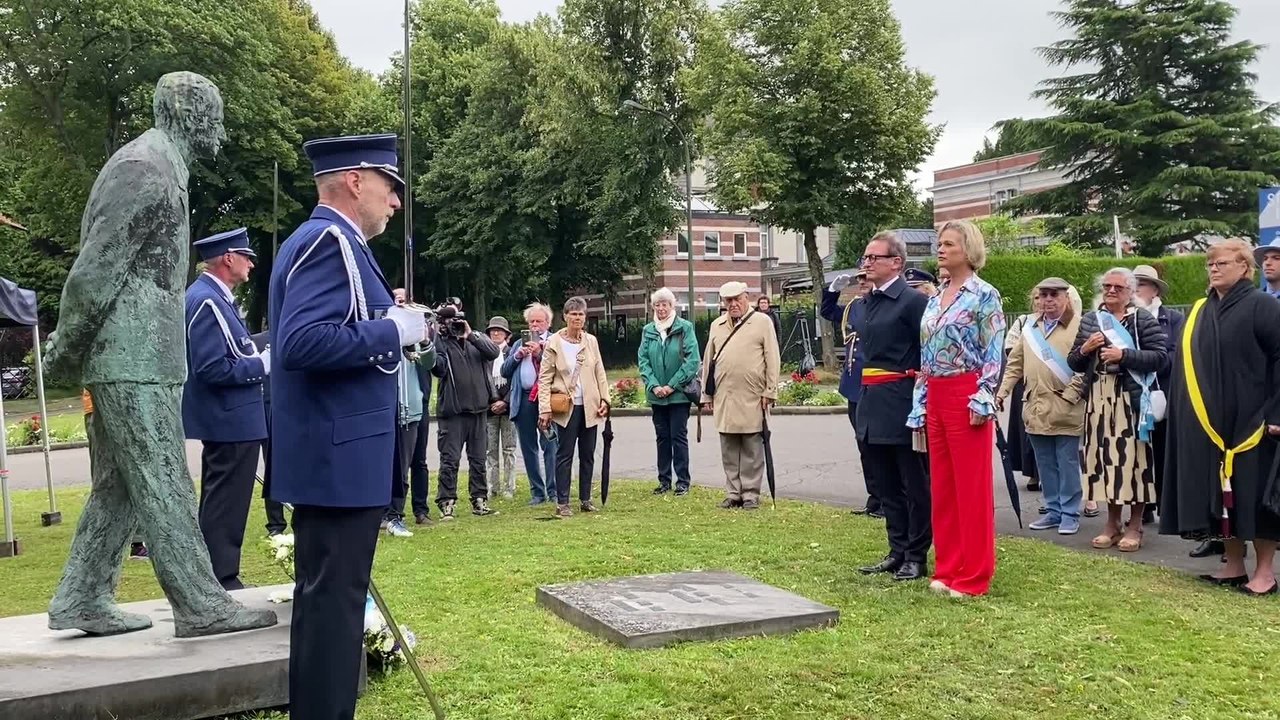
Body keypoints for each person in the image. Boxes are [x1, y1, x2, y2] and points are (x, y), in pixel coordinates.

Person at [45, 72, 274, 639]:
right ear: (191, 114)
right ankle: (200, 604)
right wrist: (62, 348)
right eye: (215, 117)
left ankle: (81, 596)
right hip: (129, 360)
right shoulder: (143, 169)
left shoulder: (162, 166)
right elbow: (95, 271)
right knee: (164, 478)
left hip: (139, 357)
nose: (220, 132)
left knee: (119, 485)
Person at [268, 132, 427, 719]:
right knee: (334, 612)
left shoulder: (329, 242)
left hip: (335, 459)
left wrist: (388, 323)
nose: (396, 202)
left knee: (327, 609)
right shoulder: (331, 241)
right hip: (338, 462)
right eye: (391, 187)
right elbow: (302, 342)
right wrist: (394, 332)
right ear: (357, 180)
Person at [1161, 240, 1280, 595]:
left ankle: (1264, 572)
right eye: (1210, 264)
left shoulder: (1263, 307)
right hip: (1210, 424)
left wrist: (1277, 412)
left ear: (1245, 267)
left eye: (1222, 263)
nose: (1213, 269)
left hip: (1255, 421)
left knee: (1254, 495)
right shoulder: (1200, 310)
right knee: (1221, 494)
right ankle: (1233, 564)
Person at [907, 220, 1005, 597]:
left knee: (971, 488)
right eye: (940, 243)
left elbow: (993, 352)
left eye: (948, 244)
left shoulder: (985, 295)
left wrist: (984, 396)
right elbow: (926, 354)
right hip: (935, 392)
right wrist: (921, 400)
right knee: (943, 486)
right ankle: (948, 567)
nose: (941, 249)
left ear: (969, 249)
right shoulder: (936, 296)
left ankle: (975, 575)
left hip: (967, 391)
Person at [182, 227, 269, 591]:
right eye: (246, 256)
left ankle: (216, 573)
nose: (250, 263)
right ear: (228, 258)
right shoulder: (207, 301)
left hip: (234, 417)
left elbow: (234, 349)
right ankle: (219, 577)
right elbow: (212, 367)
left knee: (226, 499)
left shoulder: (213, 298)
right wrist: (262, 365)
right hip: (229, 417)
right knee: (225, 502)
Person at [1068, 267, 1167, 554]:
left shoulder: (1141, 319)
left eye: (1118, 288)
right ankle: (1112, 523)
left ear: (1130, 292)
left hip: (1130, 401)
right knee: (1104, 463)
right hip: (1098, 400)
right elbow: (1073, 362)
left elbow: (1160, 357)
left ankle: (1135, 525)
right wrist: (1086, 349)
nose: (1111, 291)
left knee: (1133, 464)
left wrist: (1124, 355)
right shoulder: (1090, 320)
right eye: (1107, 286)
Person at [853, 231, 930, 581]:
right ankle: (896, 551)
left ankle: (916, 554)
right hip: (871, 402)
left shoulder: (913, 302)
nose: (867, 263)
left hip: (901, 402)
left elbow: (926, 354)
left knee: (913, 484)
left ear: (896, 262)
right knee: (885, 486)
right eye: (865, 258)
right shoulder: (867, 301)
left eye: (874, 257)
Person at [997, 278, 1087, 537]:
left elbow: (1087, 366)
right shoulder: (1029, 327)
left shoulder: (1079, 326)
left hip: (1067, 406)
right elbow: (1015, 364)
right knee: (1044, 463)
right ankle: (1053, 509)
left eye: (1054, 295)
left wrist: (1072, 395)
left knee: (1067, 462)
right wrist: (1001, 393)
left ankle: (1070, 513)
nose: (1048, 300)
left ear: (1066, 298)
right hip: (1035, 406)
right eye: (1043, 295)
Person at [700, 281, 781, 510]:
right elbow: (709, 361)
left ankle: (751, 494)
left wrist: (770, 390)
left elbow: (772, 358)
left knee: (752, 447)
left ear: (747, 298)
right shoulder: (717, 325)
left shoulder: (762, 322)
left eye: (738, 299)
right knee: (728, 446)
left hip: (753, 395)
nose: (734, 304)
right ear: (723, 303)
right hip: (725, 395)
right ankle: (733, 492)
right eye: (729, 301)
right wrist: (707, 395)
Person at [538, 296, 611, 518]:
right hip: (566, 407)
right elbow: (544, 378)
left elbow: (600, 372)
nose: (577, 318)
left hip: (589, 405)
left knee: (588, 454)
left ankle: (585, 499)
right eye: (573, 314)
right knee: (565, 455)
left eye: (581, 314)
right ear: (565, 316)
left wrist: (605, 400)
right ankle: (562, 502)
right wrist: (544, 408)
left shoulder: (591, 341)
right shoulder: (554, 343)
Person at [821, 269, 882, 517]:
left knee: (879, 447)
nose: (863, 283)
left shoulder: (882, 306)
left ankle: (888, 500)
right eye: (859, 279)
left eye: (866, 278)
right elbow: (827, 312)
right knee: (864, 445)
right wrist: (832, 291)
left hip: (876, 385)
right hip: (854, 385)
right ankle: (875, 498)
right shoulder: (854, 306)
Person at [432, 308, 501, 519]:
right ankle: (447, 502)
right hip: (452, 412)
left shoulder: (475, 339)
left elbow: (494, 352)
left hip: (479, 410)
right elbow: (439, 369)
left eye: (458, 321)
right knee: (450, 460)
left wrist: (470, 335)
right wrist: (437, 338)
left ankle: (479, 500)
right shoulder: (441, 343)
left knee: (478, 459)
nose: (455, 326)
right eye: (449, 322)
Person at [1132, 264, 1184, 527]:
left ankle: (1165, 503)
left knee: (1162, 451)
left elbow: (1175, 354)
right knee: (1138, 452)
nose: (1136, 289)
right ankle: (1143, 506)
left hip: (1162, 393)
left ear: (1154, 289)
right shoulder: (1124, 318)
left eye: (1141, 283)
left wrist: (1147, 362)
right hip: (1132, 394)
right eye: (1134, 283)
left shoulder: (1172, 318)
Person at [382, 288, 436, 537]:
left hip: (412, 408)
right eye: (397, 300)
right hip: (388, 407)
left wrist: (424, 341)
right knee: (392, 465)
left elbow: (431, 364)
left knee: (411, 463)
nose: (401, 304)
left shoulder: (418, 335)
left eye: (405, 301)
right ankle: (389, 514)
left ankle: (401, 514)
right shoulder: (384, 332)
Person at [637, 287, 700, 496]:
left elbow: (692, 361)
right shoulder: (648, 330)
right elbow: (643, 360)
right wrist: (654, 385)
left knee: (678, 437)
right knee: (662, 437)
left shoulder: (685, 328)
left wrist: (672, 385)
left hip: (679, 394)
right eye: (658, 304)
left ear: (672, 306)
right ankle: (664, 480)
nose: (661, 308)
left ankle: (683, 481)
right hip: (657, 395)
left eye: (665, 304)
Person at [82, 388, 149, 559]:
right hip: (102, 409)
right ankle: (101, 543)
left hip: (128, 406)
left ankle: (136, 541)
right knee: (106, 481)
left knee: (135, 477)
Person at [502, 303, 558, 505]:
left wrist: (539, 354)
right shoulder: (518, 344)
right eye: (531, 321)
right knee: (528, 447)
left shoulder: (554, 341)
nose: (535, 325)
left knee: (550, 444)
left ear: (548, 323)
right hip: (524, 399)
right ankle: (537, 492)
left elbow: (558, 368)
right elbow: (504, 371)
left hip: (546, 399)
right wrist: (518, 356)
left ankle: (554, 491)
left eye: (539, 321)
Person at [485, 316, 517, 500]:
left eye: (499, 331)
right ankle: (492, 486)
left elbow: (516, 382)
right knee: (490, 451)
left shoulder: (513, 353)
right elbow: (481, 380)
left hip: (509, 408)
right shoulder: (484, 355)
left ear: (507, 335)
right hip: (489, 410)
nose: (496, 333)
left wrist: (505, 401)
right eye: (492, 331)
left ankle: (509, 487)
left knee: (509, 449)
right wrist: (492, 402)